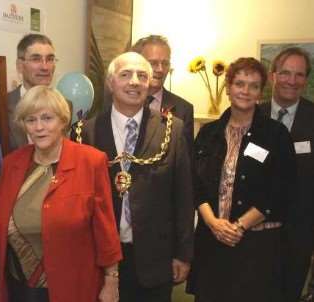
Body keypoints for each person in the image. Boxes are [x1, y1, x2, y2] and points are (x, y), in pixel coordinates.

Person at [0, 86, 122, 302]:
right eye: (31, 120)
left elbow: (105, 228)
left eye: (47, 118)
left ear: (62, 121)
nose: (39, 127)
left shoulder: (91, 161)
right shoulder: (13, 163)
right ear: (24, 125)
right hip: (20, 286)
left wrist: (111, 280)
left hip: (72, 287)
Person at [74, 52, 193, 302]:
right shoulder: (87, 132)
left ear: (150, 84)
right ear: (110, 83)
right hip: (102, 258)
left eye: (142, 76)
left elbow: (183, 195)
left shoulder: (172, 130)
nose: (134, 82)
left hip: (155, 259)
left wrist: (183, 254)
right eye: (125, 75)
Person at [187, 57, 297, 302]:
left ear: (261, 92)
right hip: (211, 242)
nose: (245, 91)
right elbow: (195, 184)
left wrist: (238, 227)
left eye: (253, 86)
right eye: (239, 83)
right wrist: (213, 223)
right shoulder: (208, 133)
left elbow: (280, 191)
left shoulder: (276, 135)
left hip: (257, 247)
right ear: (228, 87)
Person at [260, 47, 314, 302]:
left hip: (298, 235)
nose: (292, 81)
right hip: (253, 233)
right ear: (273, 76)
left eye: (299, 75)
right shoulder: (251, 114)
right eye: (285, 73)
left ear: (306, 80)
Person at [131, 35, 194, 154]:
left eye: (165, 63)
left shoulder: (183, 110)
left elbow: (185, 162)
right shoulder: (120, 103)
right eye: (153, 63)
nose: (160, 69)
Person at [8, 34, 57, 151]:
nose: (45, 67)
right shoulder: (1, 106)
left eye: (50, 59)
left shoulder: (64, 106)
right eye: (36, 59)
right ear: (20, 66)